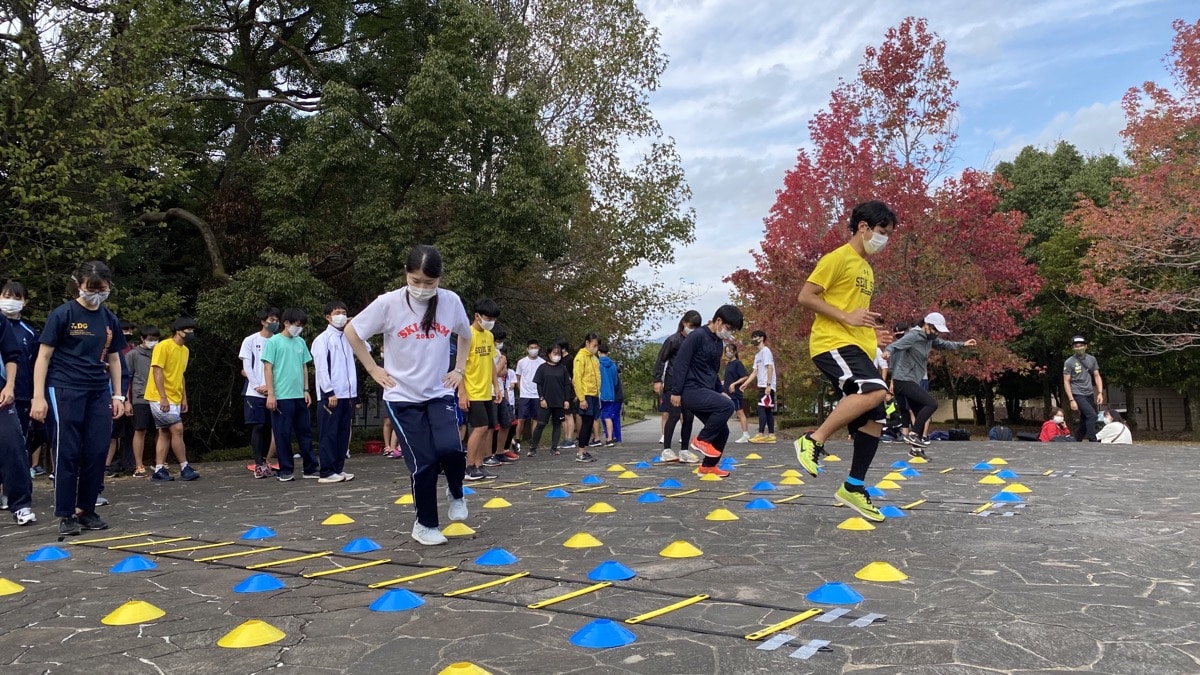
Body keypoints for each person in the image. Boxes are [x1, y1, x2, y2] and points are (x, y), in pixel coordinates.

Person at [345, 244, 473, 546]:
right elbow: (352, 331)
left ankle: (456, 491)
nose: (422, 288)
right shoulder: (388, 304)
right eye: (416, 281)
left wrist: (460, 369)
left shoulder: (451, 302)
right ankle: (425, 524)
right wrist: (374, 369)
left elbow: (465, 334)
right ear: (406, 274)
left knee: (451, 448)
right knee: (424, 460)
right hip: (402, 396)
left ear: (440, 279)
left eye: (430, 283)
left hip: (438, 391)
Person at [794, 201, 899, 522]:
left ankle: (853, 486)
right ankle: (812, 440)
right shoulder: (837, 258)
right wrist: (847, 317)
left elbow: (855, 318)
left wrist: (873, 338)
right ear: (864, 227)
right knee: (874, 391)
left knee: (874, 419)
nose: (885, 240)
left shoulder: (866, 268)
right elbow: (806, 296)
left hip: (853, 345)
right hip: (831, 343)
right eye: (882, 232)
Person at [32, 261, 127, 535]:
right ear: (79, 285)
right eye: (90, 289)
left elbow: (114, 358)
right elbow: (43, 356)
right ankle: (66, 514)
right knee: (68, 452)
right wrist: (39, 397)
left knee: (97, 451)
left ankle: (86, 509)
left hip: (98, 390)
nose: (96, 294)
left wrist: (118, 395)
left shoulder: (109, 319)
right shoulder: (63, 314)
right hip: (64, 389)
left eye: (102, 289)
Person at [884, 312, 977, 457]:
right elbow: (895, 345)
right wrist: (887, 352)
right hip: (903, 379)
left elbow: (944, 344)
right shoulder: (913, 335)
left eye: (937, 331)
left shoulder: (930, 338)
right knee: (931, 404)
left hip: (912, 379)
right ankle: (913, 435)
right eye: (934, 330)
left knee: (920, 410)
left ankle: (915, 449)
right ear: (926, 325)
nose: (935, 334)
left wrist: (963, 344)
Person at [670, 305, 744, 477]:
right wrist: (676, 391)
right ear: (718, 321)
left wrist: (720, 390)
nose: (730, 333)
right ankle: (702, 440)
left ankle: (708, 467)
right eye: (729, 328)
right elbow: (681, 363)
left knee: (723, 430)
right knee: (727, 406)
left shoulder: (718, 343)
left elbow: (713, 372)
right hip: (690, 390)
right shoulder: (697, 336)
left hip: (705, 390)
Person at [262, 308, 318, 481]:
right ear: (286, 323)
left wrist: (306, 389)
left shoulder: (300, 342)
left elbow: (304, 367)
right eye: (297, 325)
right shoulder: (274, 342)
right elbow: (267, 367)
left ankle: (310, 468)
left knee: (305, 433)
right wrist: (271, 394)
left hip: (299, 395)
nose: (299, 328)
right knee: (283, 434)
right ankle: (286, 470)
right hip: (281, 396)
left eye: (301, 325)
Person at [143, 317, 200, 482]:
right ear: (178, 330)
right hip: (158, 396)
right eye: (188, 329)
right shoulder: (163, 346)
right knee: (177, 429)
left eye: (192, 330)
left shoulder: (185, 351)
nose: (191, 333)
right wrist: (163, 397)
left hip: (175, 396)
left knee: (165, 432)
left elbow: (180, 375)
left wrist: (184, 398)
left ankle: (159, 469)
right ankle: (184, 466)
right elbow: (157, 371)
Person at [312, 300, 360, 483]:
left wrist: (353, 329)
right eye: (337, 312)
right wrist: (329, 392)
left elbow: (365, 349)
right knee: (329, 434)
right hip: (331, 395)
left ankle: (338, 468)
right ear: (328, 317)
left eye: (344, 312)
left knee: (342, 434)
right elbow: (322, 368)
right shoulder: (322, 340)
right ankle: (326, 471)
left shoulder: (348, 338)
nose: (341, 316)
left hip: (348, 394)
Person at [0, 282, 43, 472]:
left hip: (21, 395)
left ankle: (13, 490)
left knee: (18, 443)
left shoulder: (31, 333)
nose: (11, 301)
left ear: (25, 302)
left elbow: (37, 366)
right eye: (6, 296)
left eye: (17, 298)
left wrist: (36, 396)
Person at [0, 296, 34, 525]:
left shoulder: (1, 321)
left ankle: (21, 505)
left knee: (13, 448)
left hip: (2, 395)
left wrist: (9, 386)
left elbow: (11, 355)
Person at [652, 311, 702, 463]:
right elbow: (661, 359)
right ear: (684, 323)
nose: (692, 329)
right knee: (673, 415)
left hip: (690, 383)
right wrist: (657, 380)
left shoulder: (696, 341)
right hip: (673, 382)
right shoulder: (673, 340)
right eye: (691, 326)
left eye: (696, 327)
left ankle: (684, 450)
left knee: (688, 417)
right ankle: (667, 449)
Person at [461, 299, 501, 480]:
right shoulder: (467, 335)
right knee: (479, 427)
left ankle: (479, 464)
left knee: (487, 428)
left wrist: (497, 386)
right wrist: (462, 393)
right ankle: (469, 467)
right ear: (477, 316)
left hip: (486, 390)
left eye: (493, 319)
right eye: (488, 318)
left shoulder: (489, 336)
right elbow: (459, 367)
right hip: (472, 390)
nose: (490, 321)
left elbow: (492, 363)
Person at [240, 308, 280, 478]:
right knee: (259, 425)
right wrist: (258, 385)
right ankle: (258, 463)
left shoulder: (279, 341)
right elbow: (247, 366)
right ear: (263, 321)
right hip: (254, 392)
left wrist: (271, 387)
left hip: (274, 391)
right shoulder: (250, 340)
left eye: (277, 320)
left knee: (270, 426)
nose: (274, 323)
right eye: (271, 319)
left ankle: (265, 461)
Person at [126, 326, 160, 477]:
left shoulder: (160, 352)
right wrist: (126, 400)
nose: (153, 342)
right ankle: (138, 465)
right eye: (150, 339)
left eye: (155, 339)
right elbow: (125, 378)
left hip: (159, 396)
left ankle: (159, 462)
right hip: (140, 397)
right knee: (140, 430)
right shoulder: (133, 354)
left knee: (162, 430)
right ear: (142, 338)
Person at [529, 340, 571, 457]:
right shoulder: (542, 368)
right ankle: (533, 447)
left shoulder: (563, 369)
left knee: (557, 424)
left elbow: (567, 385)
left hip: (559, 401)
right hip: (546, 401)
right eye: (554, 353)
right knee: (541, 423)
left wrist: (567, 400)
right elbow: (539, 384)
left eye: (558, 354)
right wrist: (542, 398)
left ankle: (554, 448)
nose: (556, 356)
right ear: (549, 354)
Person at [1063, 335, 1103, 442]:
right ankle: (1093, 439)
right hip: (1077, 393)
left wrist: (1100, 392)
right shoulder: (1069, 362)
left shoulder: (1091, 359)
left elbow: (1097, 375)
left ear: (1086, 346)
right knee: (1092, 415)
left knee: (1085, 419)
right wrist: (1071, 399)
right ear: (1073, 348)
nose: (1078, 348)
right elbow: (1066, 381)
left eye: (1081, 346)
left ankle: (1077, 440)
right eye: (1076, 346)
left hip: (1089, 393)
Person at [740, 330, 777, 443]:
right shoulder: (757, 355)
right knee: (767, 410)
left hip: (767, 385)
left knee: (761, 409)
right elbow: (755, 372)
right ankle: (771, 435)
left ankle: (760, 433)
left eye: (755, 337)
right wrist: (745, 383)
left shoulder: (766, 351)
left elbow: (770, 367)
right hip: (761, 385)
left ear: (761, 338)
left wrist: (769, 385)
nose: (753, 340)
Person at [572, 333, 601, 462]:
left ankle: (585, 449)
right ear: (587, 343)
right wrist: (581, 398)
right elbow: (577, 379)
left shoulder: (594, 359)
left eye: (597, 346)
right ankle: (580, 451)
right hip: (586, 394)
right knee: (586, 423)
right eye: (594, 345)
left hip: (594, 394)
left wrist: (598, 396)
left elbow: (597, 378)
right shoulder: (580, 357)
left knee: (590, 423)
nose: (595, 348)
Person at [513, 339, 544, 452]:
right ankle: (517, 440)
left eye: (535, 347)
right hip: (525, 395)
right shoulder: (522, 362)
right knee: (521, 419)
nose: (533, 350)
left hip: (537, 395)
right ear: (527, 349)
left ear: (538, 348)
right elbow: (518, 377)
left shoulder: (542, 362)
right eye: (531, 348)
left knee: (536, 418)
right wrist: (521, 389)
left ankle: (533, 441)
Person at [723, 343, 751, 443]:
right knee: (723, 412)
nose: (728, 353)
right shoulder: (728, 364)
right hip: (727, 393)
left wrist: (734, 384)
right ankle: (721, 433)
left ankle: (745, 434)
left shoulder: (737, 363)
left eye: (729, 351)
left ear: (734, 351)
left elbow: (745, 376)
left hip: (735, 393)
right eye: (726, 351)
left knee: (740, 413)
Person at [598, 343, 620, 446]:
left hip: (599, 393)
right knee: (608, 416)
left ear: (598, 352)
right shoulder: (613, 365)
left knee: (599, 416)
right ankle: (610, 438)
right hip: (611, 394)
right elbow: (616, 381)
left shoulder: (597, 364)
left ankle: (601, 438)